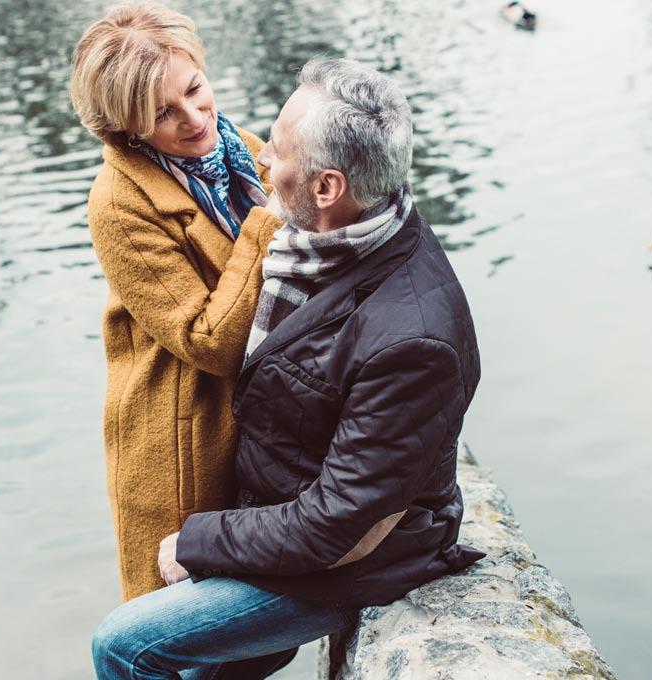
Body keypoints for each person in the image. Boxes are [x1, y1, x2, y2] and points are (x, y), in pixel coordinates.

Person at [92, 57, 485, 680]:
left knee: (123, 643)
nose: (259, 165)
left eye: (274, 153)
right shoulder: (342, 235)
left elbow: (336, 524)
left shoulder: (410, 341)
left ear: (327, 187)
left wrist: (198, 541)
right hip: (290, 510)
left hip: (358, 560)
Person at [70, 1, 284, 602]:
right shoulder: (118, 204)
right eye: (164, 113)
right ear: (126, 129)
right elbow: (208, 342)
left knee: (259, 643)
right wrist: (266, 228)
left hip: (255, 422)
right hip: (183, 441)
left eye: (195, 89)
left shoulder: (237, 150)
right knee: (189, 640)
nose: (194, 118)